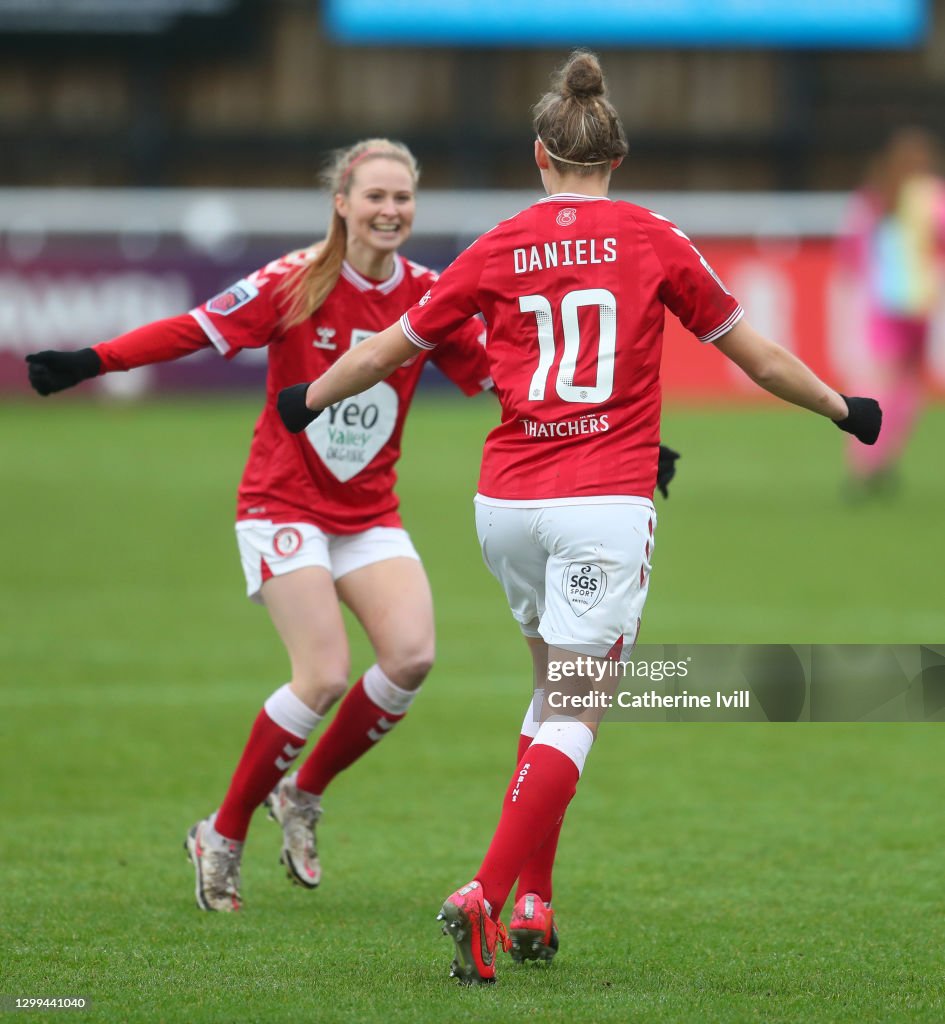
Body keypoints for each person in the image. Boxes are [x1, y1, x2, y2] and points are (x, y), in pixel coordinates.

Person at [275, 52, 882, 985]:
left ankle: (535, 900)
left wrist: (304, 400)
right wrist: (844, 409)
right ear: (618, 156)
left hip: (507, 502)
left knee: (546, 693)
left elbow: (392, 347)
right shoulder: (654, 237)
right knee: (578, 703)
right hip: (600, 500)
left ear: (539, 156)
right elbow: (754, 357)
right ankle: (484, 892)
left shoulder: (502, 241)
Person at [25, 138, 498, 913]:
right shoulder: (293, 281)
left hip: (368, 509)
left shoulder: (429, 294)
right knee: (322, 674)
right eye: (374, 196)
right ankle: (223, 831)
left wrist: (615, 440)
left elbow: (497, 378)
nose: (389, 211)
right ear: (340, 202)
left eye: (402, 198)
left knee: (411, 657)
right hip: (281, 503)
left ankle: (301, 794)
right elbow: (195, 328)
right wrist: (93, 360)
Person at [838, 126, 945, 494]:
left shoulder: (872, 199)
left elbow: (850, 252)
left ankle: (867, 460)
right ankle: (877, 461)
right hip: (915, 305)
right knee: (905, 388)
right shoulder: (931, 198)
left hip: (885, 305)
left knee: (880, 385)